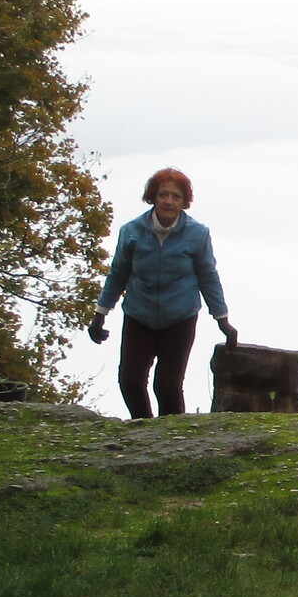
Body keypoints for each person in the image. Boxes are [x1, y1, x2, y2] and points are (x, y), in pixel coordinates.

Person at [89, 167, 235, 419]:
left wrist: (222, 319)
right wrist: (100, 315)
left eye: (176, 196)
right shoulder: (131, 231)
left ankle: (172, 434)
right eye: (163, 194)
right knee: (130, 381)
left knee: (167, 385)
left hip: (180, 317)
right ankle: (142, 426)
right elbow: (118, 274)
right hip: (139, 314)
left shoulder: (197, 234)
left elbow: (208, 276)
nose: (169, 201)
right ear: (153, 197)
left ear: (184, 201)